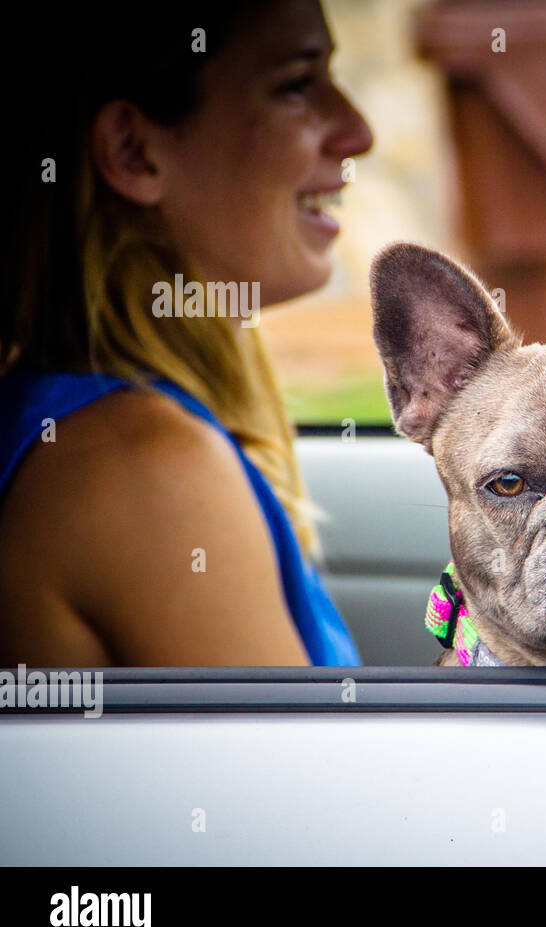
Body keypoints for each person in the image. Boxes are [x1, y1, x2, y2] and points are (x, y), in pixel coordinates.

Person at [0, 1, 374, 665]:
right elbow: (300, 772)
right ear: (134, 152)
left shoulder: (72, 422)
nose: (357, 132)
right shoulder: (144, 466)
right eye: (295, 85)